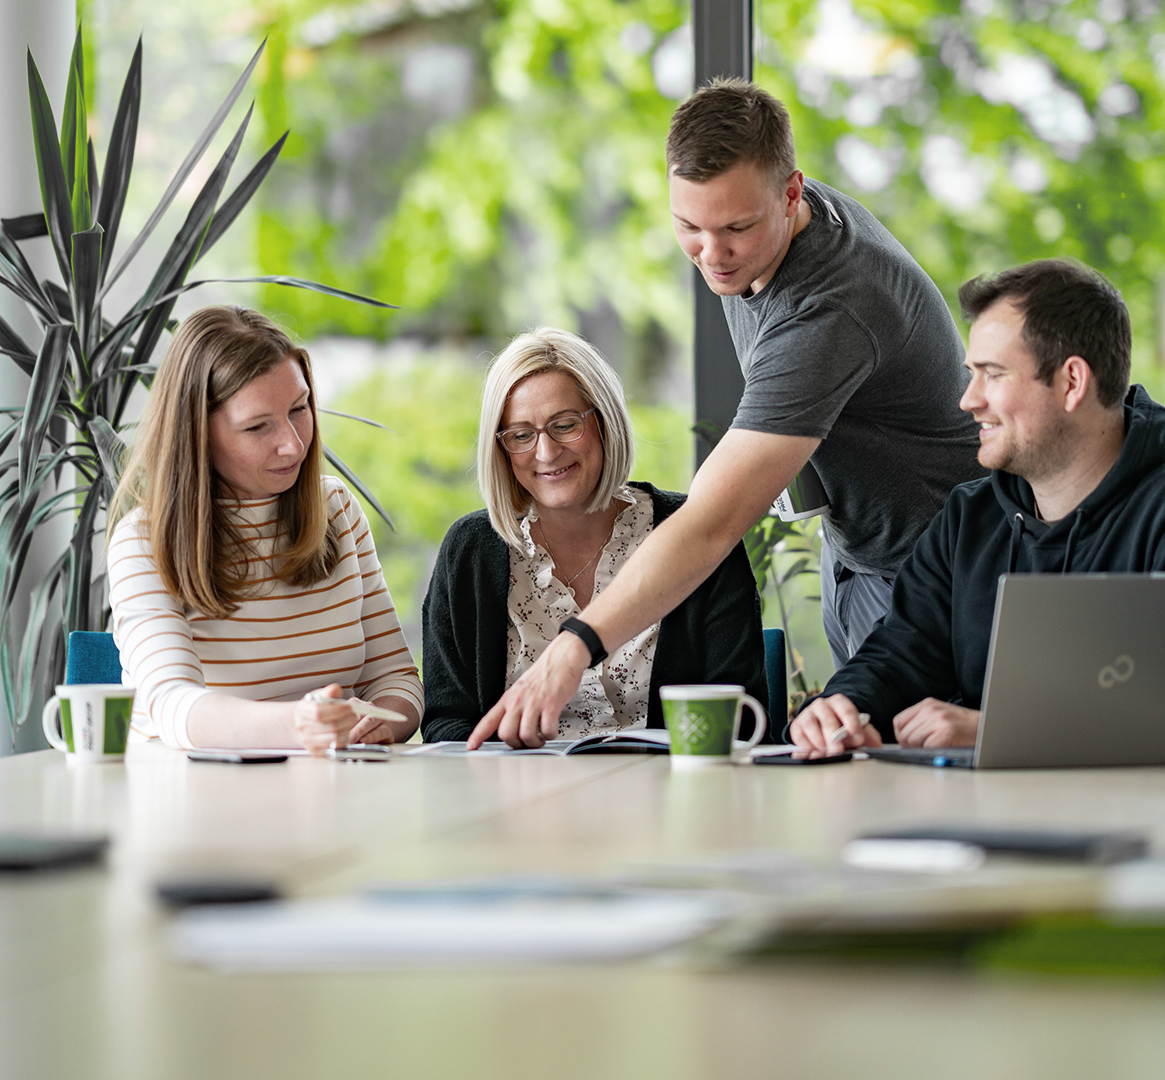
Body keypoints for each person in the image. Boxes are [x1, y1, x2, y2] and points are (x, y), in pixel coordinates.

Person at [468, 78, 981, 749]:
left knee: (916, 789)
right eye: (689, 227)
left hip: (936, 575)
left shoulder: (829, 309)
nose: (712, 254)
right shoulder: (753, 226)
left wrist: (574, 646)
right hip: (858, 556)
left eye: (736, 228)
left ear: (791, 192)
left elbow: (711, 524)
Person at [789, 258, 1165, 753]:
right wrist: (839, 705)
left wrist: (997, 730)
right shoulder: (970, 516)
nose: (968, 400)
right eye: (971, 374)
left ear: (1072, 382)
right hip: (979, 814)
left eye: (992, 375)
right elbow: (900, 652)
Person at [421, 327, 765, 743]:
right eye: (522, 435)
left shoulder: (691, 533)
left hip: (669, 798)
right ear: (501, 449)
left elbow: (744, 718)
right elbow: (445, 724)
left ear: (604, 422)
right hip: (522, 799)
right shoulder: (470, 551)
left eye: (565, 425)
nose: (546, 453)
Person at [107, 306, 423, 754]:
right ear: (196, 433)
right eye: (258, 426)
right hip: (194, 803)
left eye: (299, 409)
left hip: (332, 795)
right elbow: (171, 706)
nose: (292, 443)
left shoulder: (337, 510)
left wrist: (380, 723)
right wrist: (299, 726)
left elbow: (395, 679)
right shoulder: (142, 541)